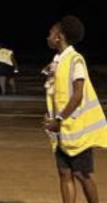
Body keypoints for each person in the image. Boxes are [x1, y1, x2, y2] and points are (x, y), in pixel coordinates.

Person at [44, 15, 106, 203]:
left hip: (77, 130)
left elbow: (77, 95)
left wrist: (59, 120)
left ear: (59, 37)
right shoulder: (57, 61)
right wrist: (51, 115)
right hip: (62, 131)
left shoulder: (75, 60)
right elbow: (56, 91)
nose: (48, 36)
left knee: (82, 174)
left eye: (51, 33)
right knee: (65, 173)